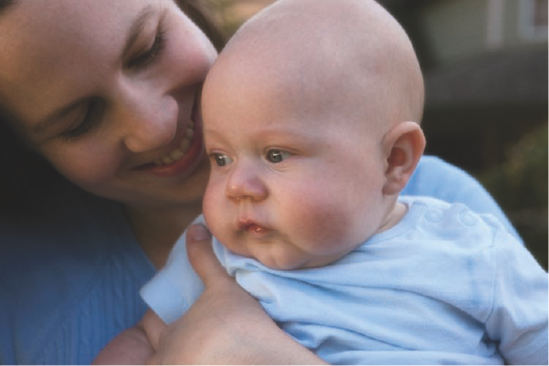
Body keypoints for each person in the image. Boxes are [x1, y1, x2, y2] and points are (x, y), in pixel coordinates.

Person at [0, 0, 530, 364]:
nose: (154, 126)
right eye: (79, 120)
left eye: (148, 48)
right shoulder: (215, 250)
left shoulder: (455, 230)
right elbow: (143, 336)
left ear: (394, 160)